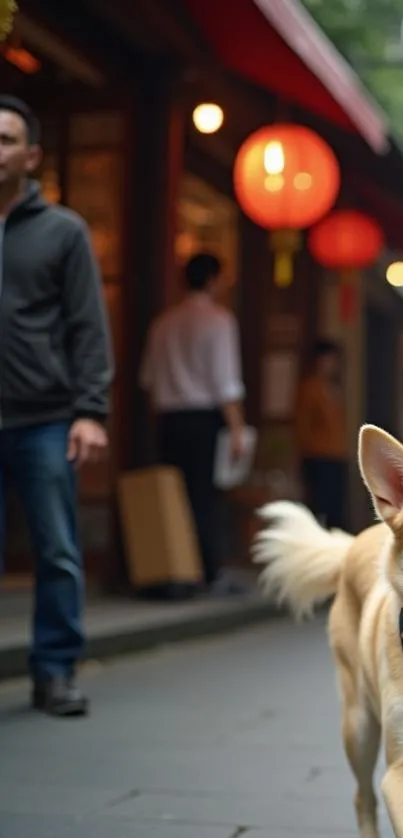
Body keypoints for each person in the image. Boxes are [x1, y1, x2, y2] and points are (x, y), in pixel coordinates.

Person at [0, 95, 113, 717]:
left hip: (44, 417)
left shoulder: (62, 231)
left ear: (31, 154)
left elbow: (87, 327)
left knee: (57, 549)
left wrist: (89, 410)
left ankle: (55, 672)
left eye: (7, 139)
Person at [140, 252, 247, 595]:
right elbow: (224, 382)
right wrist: (237, 429)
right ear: (214, 279)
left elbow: (147, 379)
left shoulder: (163, 323)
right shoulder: (218, 320)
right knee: (204, 496)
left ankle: (175, 569)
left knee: (173, 496)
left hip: (168, 418)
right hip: (203, 418)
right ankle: (209, 572)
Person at [295, 338, 348, 530]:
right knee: (319, 504)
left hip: (337, 454)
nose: (332, 365)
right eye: (328, 360)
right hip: (317, 455)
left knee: (336, 506)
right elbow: (302, 424)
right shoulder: (310, 388)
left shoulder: (335, 388)